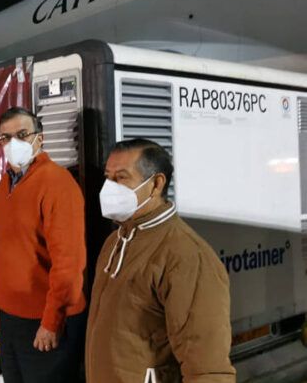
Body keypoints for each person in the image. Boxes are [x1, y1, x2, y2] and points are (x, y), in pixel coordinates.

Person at [85, 138, 235, 382]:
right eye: (108, 177)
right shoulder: (115, 241)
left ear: (156, 184)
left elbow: (208, 368)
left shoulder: (186, 255)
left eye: (121, 178)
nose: (109, 187)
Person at [0, 107, 87, 383]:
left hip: (45, 321)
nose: (13, 143)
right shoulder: (7, 183)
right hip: (12, 320)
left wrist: (52, 322)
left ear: (39, 139)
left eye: (22, 134)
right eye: (5, 138)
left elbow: (68, 263)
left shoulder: (57, 183)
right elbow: (6, 244)